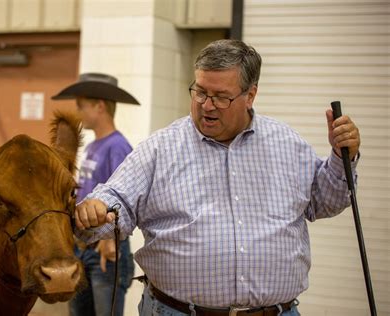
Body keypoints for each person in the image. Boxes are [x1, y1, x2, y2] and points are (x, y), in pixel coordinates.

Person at [73, 39, 361, 316]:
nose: (207, 105)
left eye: (221, 97)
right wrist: (95, 210)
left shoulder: (287, 143)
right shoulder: (159, 149)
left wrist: (340, 158)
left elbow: (326, 201)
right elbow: (116, 200)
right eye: (199, 92)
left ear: (250, 95)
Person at [52, 73, 138, 316]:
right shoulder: (92, 146)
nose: (77, 111)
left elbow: (126, 195)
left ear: (99, 106)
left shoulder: (117, 146)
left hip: (105, 248)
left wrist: (110, 239)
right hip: (83, 247)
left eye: (81, 105)